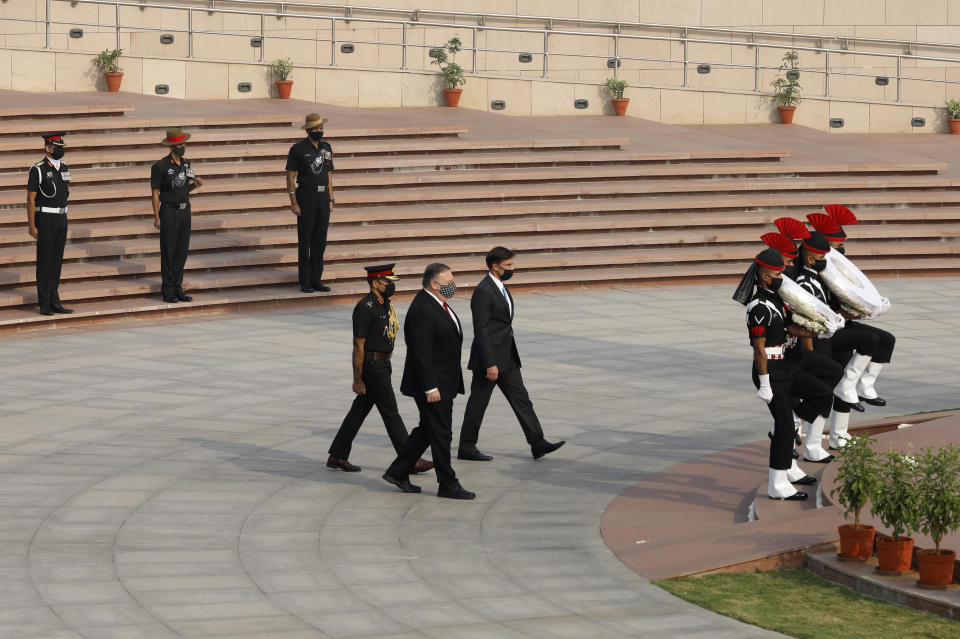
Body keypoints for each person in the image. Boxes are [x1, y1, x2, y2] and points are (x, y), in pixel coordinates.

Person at [733, 248, 831, 500]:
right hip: (771, 372)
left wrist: (822, 330)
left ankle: (786, 428)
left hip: (787, 367)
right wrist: (764, 383)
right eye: (776, 273)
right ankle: (777, 483)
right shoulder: (759, 308)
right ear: (764, 277)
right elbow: (759, 350)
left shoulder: (777, 300)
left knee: (822, 394)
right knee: (786, 426)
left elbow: (793, 330)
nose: (781, 276)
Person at [457, 247, 565, 461]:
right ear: (495, 266)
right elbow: (482, 330)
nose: (512, 269)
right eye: (508, 266)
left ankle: (537, 442)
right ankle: (466, 447)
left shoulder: (500, 287)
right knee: (478, 403)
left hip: (507, 356)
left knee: (522, 399)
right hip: (489, 361)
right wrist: (490, 363)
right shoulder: (483, 291)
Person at [327, 264, 433, 475]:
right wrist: (357, 379)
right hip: (372, 365)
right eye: (388, 282)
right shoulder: (364, 308)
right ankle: (408, 458)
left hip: (383, 363)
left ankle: (337, 455)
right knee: (390, 411)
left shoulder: (383, 304)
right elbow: (358, 345)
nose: (392, 286)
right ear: (375, 283)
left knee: (360, 410)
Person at [383, 263, 475, 500]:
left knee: (427, 430)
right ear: (434, 284)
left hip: (443, 381)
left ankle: (398, 471)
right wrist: (430, 387)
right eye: (448, 282)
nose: (452, 286)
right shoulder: (423, 309)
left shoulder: (437, 303)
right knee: (442, 433)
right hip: (433, 386)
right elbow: (420, 352)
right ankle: (448, 483)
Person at [814, 206, 896, 408]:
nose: (842, 249)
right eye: (839, 244)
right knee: (825, 390)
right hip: (825, 332)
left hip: (842, 324)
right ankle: (798, 426)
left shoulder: (835, 267)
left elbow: (847, 298)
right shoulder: (813, 273)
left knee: (886, 340)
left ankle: (861, 390)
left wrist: (868, 309)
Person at [151, 128, 202, 303]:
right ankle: (168, 289)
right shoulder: (160, 166)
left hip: (184, 210)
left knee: (182, 251)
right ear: (172, 146)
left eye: (184, 144)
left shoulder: (187, 164)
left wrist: (195, 185)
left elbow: (185, 188)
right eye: (180, 144)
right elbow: (155, 193)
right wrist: (157, 217)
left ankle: (178, 287)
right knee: (168, 251)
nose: (183, 147)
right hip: (168, 210)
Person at [286, 113, 334, 293]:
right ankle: (305, 281)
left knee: (319, 241)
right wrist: (293, 202)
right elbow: (290, 177)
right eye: (315, 129)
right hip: (306, 197)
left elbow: (329, 175)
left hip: (323, 198)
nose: (319, 131)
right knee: (305, 240)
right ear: (308, 130)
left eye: (321, 128)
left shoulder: (326, 148)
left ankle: (317, 279)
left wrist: (331, 198)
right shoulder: (297, 149)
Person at [27, 133, 73, 316]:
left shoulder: (65, 167)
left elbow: (66, 191)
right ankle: (44, 303)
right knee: (45, 262)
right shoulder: (37, 169)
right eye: (57, 146)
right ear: (47, 148)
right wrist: (32, 225)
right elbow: (30, 199)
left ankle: (55, 300)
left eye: (62, 146)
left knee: (56, 261)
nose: (60, 149)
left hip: (62, 218)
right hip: (45, 218)